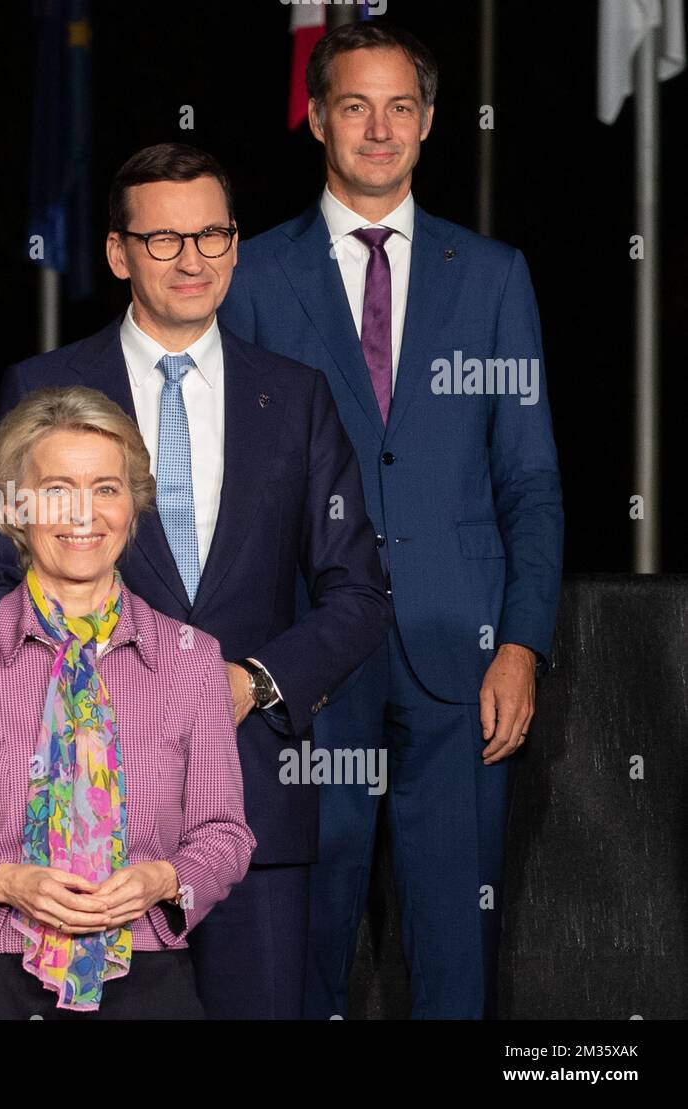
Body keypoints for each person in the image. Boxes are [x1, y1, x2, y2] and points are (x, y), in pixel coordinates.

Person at [0, 144, 392, 1018]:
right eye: (164, 241)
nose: (193, 260)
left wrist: (252, 682)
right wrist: (85, 686)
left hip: (254, 807)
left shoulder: (294, 397)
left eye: (213, 235)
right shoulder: (44, 386)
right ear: (118, 253)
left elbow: (360, 592)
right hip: (81, 830)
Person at [219, 23, 564, 1019]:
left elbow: (531, 480)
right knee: (300, 937)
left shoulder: (494, 275)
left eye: (400, 106)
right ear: (318, 117)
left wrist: (524, 644)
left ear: (426, 122)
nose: (379, 127)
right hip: (303, 660)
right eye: (356, 105)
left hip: (465, 654)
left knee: (457, 943)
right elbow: (229, 486)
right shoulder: (252, 276)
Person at [0, 386, 254, 1019]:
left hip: (150, 977)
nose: (85, 513)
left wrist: (161, 881)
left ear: (133, 507)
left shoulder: (192, 660)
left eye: (107, 488)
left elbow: (224, 836)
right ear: (14, 509)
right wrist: (5, 883)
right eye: (57, 489)